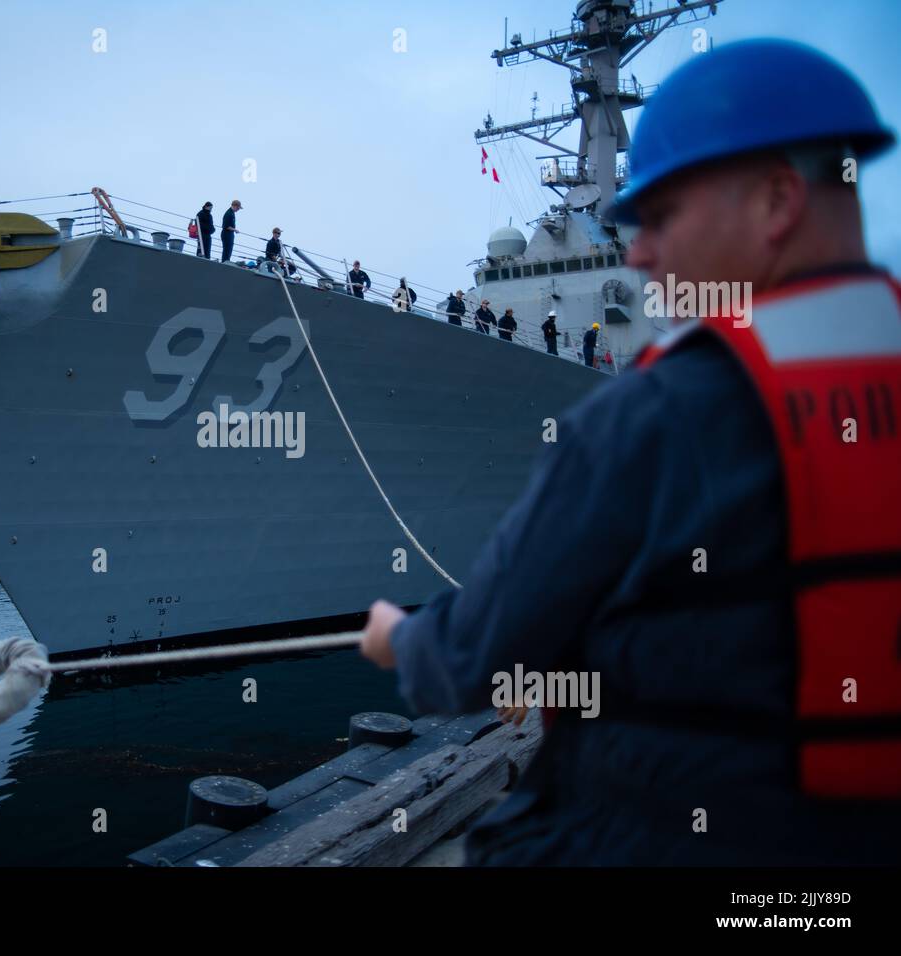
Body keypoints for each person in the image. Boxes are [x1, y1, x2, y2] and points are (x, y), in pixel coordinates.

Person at [358, 38, 901, 866]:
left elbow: (472, 658)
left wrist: (400, 636)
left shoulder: (656, 413)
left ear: (777, 199)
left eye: (660, 219)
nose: (639, 255)